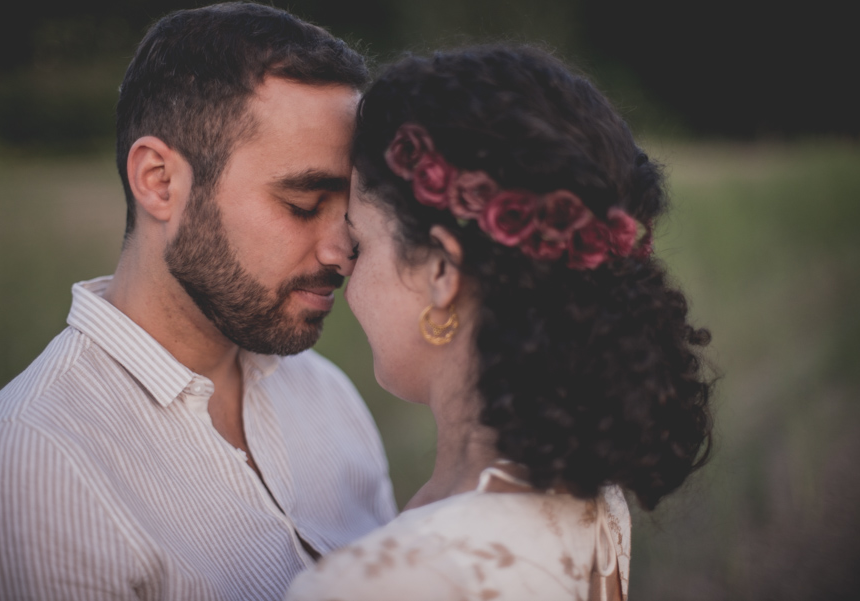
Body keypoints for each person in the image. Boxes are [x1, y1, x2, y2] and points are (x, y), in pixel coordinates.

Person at [0, 4, 396, 600]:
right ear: (160, 181)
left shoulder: (327, 394)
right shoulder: (36, 461)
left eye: (349, 211)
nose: (341, 251)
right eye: (301, 205)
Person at [285, 45, 714, 601]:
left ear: (442, 271)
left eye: (359, 243)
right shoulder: (590, 498)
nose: (342, 265)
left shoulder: (386, 582)